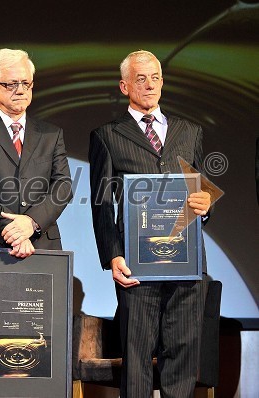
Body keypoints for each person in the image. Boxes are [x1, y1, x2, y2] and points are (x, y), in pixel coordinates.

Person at [89, 50, 211, 397]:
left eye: (155, 77)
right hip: (137, 264)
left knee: (183, 353)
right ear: (124, 85)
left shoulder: (190, 132)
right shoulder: (107, 135)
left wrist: (206, 206)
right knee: (137, 354)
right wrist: (113, 256)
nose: (149, 84)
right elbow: (101, 204)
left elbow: (199, 192)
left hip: (186, 263)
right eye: (140, 78)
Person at [0, 48, 72, 278]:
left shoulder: (51, 134)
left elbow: (63, 186)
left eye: (25, 83)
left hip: (41, 245)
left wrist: (31, 223)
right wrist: (9, 231)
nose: (20, 90)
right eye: (11, 84)